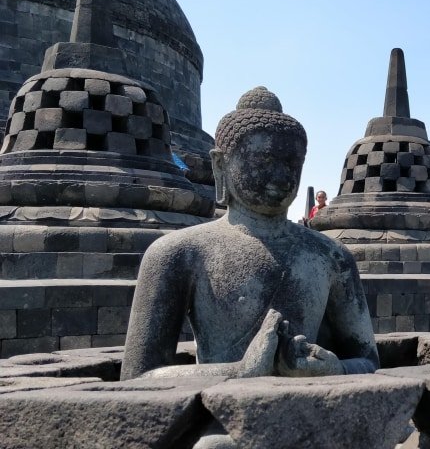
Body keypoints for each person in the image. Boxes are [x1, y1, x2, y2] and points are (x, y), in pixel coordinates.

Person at [120, 87, 379, 381]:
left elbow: (369, 361)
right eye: (263, 161)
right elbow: (136, 377)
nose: (282, 177)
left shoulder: (332, 257)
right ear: (221, 165)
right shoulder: (178, 253)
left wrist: (337, 367)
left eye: (292, 164)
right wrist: (239, 371)